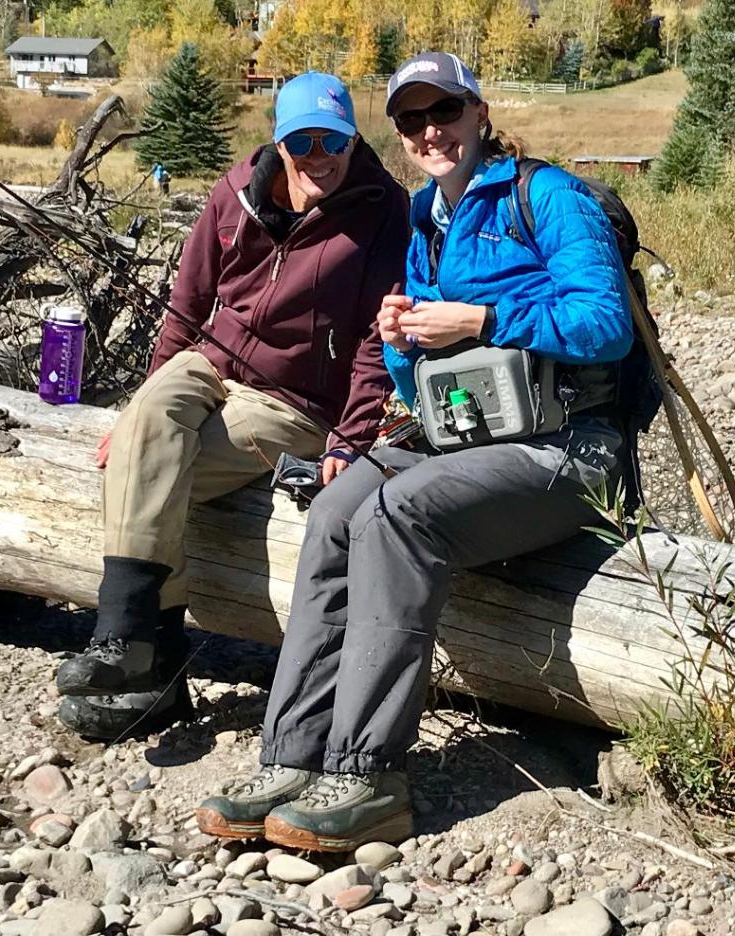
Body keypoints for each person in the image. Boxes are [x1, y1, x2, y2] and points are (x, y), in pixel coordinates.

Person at [196, 51, 634, 850]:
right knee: (335, 511)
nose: (430, 131)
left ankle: (368, 774)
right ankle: (291, 756)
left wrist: (483, 321)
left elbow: (606, 325)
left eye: (445, 112)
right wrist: (401, 342)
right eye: (410, 119)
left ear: (480, 114)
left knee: (397, 515)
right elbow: (422, 381)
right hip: (463, 438)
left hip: (570, 449)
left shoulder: (549, 198)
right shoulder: (427, 216)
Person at [56, 72, 410, 740]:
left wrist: (350, 437)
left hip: (294, 402)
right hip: (211, 364)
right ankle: (125, 641)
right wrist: (135, 417)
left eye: (333, 141)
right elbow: (188, 303)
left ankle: (149, 664)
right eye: (302, 142)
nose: (319, 156)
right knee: (149, 426)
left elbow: (375, 341)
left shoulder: (385, 210)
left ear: (352, 139)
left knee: (156, 476)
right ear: (279, 142)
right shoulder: (236, 191)